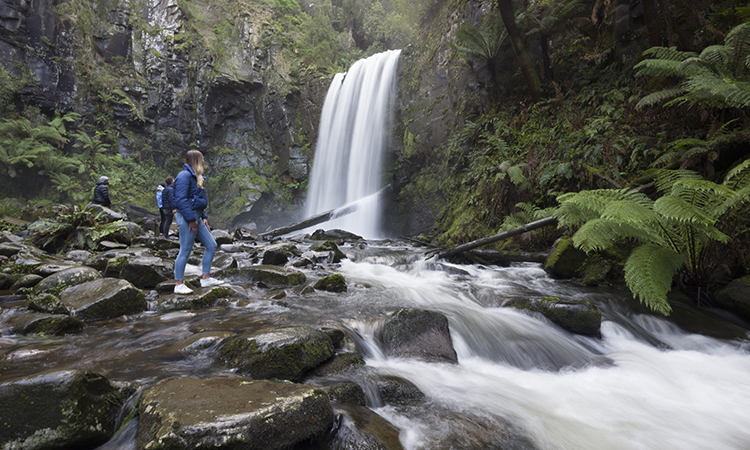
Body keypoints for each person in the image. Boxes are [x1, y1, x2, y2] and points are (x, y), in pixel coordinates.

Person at [173, 150, 224, 294]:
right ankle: (178, 284)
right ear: (196, 160)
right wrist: (191, 221)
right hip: (186, 217)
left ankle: (206, 278)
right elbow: (181, 200)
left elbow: (198, 200)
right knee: (185, 250)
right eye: (202, 159)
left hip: (196, 217)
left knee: (212, 245)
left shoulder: (196, 176)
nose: (203, 161)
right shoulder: (184, 176)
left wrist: (204, 217)